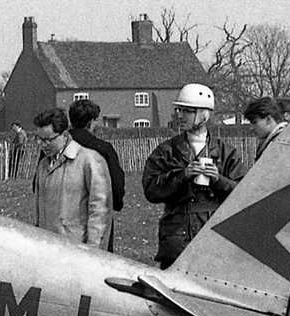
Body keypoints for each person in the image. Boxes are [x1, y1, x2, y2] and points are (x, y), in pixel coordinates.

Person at [141, 83, 245, 269]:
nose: (179, 115)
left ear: (204, 115)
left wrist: (218, 180)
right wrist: (183, 175)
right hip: (176, 240)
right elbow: (151, 190)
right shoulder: (166, 151)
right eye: (179, 110)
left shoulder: (227, 153)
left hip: (212, 238)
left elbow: (243, 195)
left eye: (187, 111)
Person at [32, 107, 111, 247]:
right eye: (39, 139)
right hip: (48, 250)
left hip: (77, 251)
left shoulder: (90, 160)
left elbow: (100, 211)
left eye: (49, 140)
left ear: (64, 134)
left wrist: (94, 253)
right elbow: (38, 213)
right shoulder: (42, 166)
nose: (43, 145)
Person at [67, 99, 125, 250]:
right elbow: (116, 189)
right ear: (91, 122)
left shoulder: (55, 147)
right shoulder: (102, 149)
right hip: (96, 221)